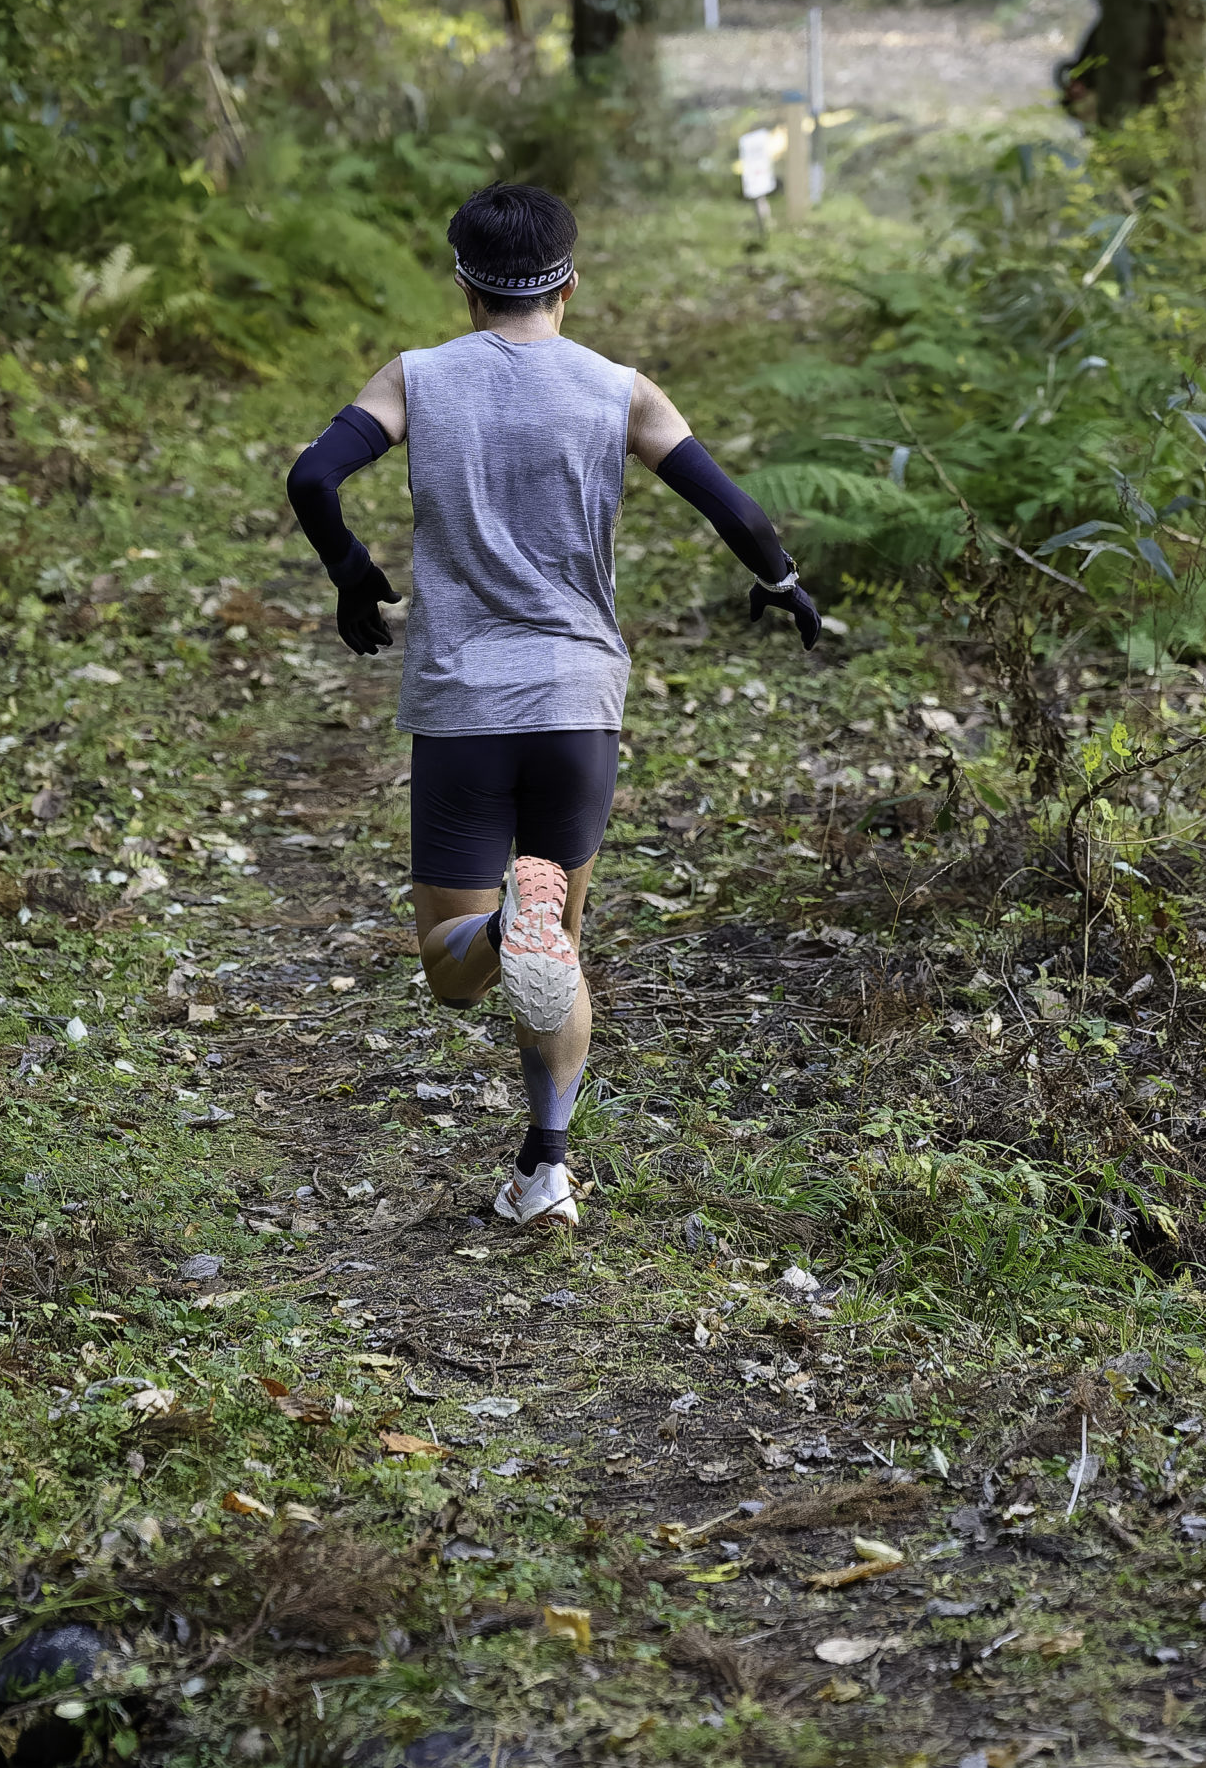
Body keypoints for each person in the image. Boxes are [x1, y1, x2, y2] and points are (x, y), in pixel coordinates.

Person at [286, 182, 821, 1229]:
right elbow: (737, 510)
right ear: (569, 284)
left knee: (458, 974)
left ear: (465, 286)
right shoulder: (620, 390)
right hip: (578, 701)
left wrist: (354, 574)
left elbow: (314, 478)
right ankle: (546, 1168)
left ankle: (501, 922)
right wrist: (782, 581)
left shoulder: (418, 377)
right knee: (559, 950)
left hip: (463, 704)